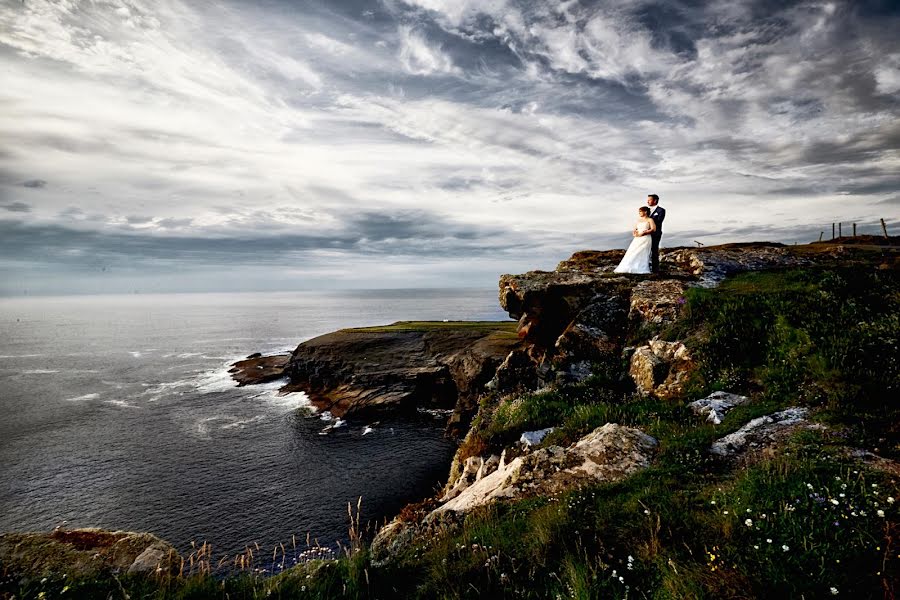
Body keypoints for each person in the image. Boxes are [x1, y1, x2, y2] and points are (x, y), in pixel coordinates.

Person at [614, 206, 656, 274]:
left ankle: (640, 267)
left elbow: (653, 229)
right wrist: (635, 234)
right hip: (637, 239)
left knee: (642, 252)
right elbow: (635, 229)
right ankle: (630, 266)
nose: (639, 213)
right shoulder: (639, 220)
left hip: (645, 238)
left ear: (645, 212)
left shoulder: (650, 220)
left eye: (640, 211)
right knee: (633, 251)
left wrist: (644, 233)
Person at [646, 194, 665, 272]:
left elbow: (659, 221)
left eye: (649, 200)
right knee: (644, 251)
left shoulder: (661, 210)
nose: (647, 201)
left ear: (655, 200)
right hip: (645, 234)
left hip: (655, 234)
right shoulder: (645, 210)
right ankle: (644, 267)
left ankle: (655, 270)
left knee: (654, 251)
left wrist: (649, 222)